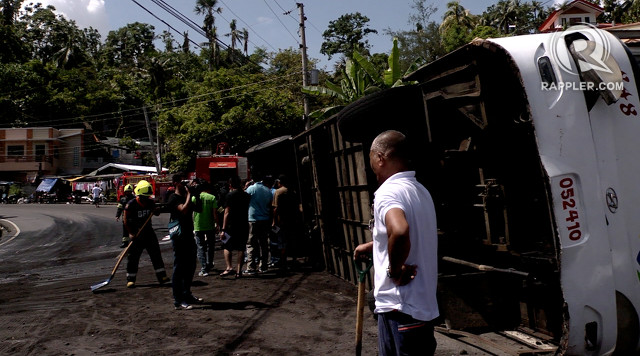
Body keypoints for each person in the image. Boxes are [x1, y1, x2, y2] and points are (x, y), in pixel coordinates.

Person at [353, 130, 439, 356]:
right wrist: (374, 245)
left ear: (380, 158)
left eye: (371, 158)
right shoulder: (420, 191)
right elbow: (412, 234)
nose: (371, 165)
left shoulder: (387, 193)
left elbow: (400, 231)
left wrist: (395, 269)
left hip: (399, 307)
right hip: (422, 308)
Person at [123, 180, 170, 289]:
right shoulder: (131, 205)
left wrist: (156, 210)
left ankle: (162, 276)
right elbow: (125, 221)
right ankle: (131, 279)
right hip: (136, 234)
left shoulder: (150, 202)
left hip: (148, 233)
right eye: (144, 197)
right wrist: (130, 233)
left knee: (156, 255)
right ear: (138, 195)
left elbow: (156, 212)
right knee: (133, 258)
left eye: (147, 196)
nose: (146, 198)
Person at [166, 174, 202, 310]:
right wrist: (189, 194)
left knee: (191, 266)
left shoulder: (185, 197)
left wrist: (196, 195)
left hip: (188, 235)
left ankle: (187, 293)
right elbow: (184, 209)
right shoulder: (173, 198)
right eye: (182, 182)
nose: (185, 184)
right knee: (179, 268)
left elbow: (199, 209)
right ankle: (178, 299)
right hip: (178, 237)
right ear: (175, 183)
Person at [219, 176, 250, 278]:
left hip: (231, 225)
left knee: (227, 246)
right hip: (243, 223)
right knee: (241, 247)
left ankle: (229, 267)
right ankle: (239, 271)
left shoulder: (230, 195)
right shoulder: (246, 195)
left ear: (231, 184)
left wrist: (223, 229)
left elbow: (226, 212)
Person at [244, 175, 273, 274]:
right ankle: (263, 266)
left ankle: (251, 267)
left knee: (251, 243)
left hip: (253, 219)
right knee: (263, 243)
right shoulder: (268, 191)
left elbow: (244, 198)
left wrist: (246, 187)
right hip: (265, 219)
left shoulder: (251, 189)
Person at [272, 174, 300, 271]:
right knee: (292, 239)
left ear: (280, 182)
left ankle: (283, 261)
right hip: (292, 219)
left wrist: (274, 221)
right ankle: (294, 260)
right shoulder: (293, 191)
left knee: (282, 242)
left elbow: (275, 208)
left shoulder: (278, 192)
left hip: (281, 221)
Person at [192, 179, 218, 277]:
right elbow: (215, 213)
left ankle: (204, 269)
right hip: (210, 225)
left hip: (198, 225)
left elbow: (192, 212)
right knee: (211, 246)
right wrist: (217, 224)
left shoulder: (194, 198)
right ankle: (210, 263)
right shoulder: (212, 197)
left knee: (200, 247)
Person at [116, 184, 135, 248]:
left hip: (133, 218)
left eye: (129, 191)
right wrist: (117, 216)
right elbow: (120, 208)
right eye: (127, 191)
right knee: (125, 231)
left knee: (134, 230)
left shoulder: (135, 199)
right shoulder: (123, 199)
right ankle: (125, 243)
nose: (128, 193)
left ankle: (134, 242)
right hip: (125, 218)